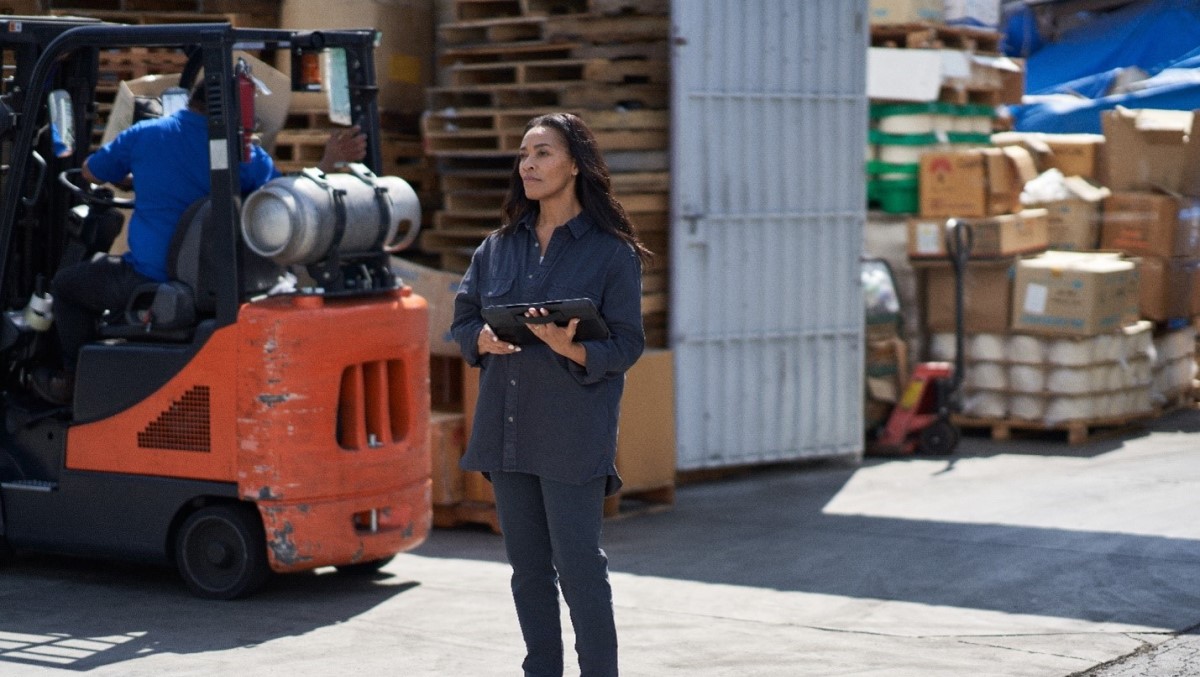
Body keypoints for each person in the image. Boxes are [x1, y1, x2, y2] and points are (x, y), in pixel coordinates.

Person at [451, 112, 652, 677]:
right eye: (524, 154)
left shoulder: (612, 254)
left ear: (574, 164)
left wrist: (575, 350)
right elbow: (463, 320)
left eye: (542, 152)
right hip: (508, 431)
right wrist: (482, 339)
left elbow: (629, 345)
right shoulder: (497, 248)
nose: (529, 164)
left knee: (580, 567)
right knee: (528, 570)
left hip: (572, 432)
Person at [30, 81, 366, 404]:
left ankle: (74, 385)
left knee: (66, 286)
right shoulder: (245, 155)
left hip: (152, 277)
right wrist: (326, 163)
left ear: (193, 100)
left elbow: (90, 172)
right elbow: (287, 198)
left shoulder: (145, 136)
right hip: (217, 283)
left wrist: (132, 178)